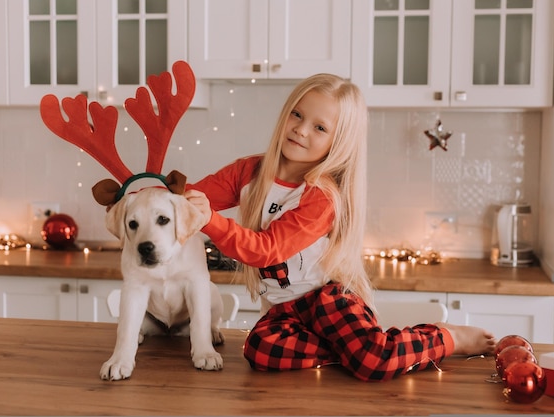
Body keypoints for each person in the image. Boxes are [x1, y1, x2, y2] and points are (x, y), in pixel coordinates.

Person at [184, 73, 496, 382]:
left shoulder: (320, 195)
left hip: (328, 297)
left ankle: (448, 338)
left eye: (319, 127)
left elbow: (268, 250)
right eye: (297, 114)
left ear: (338, 141)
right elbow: (186, 200)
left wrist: (209, 220)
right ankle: (349, 351)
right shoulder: (249, 171)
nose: (301, 130)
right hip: (285, 308)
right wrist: (151, 191)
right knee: (260, 351)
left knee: (375, 363)